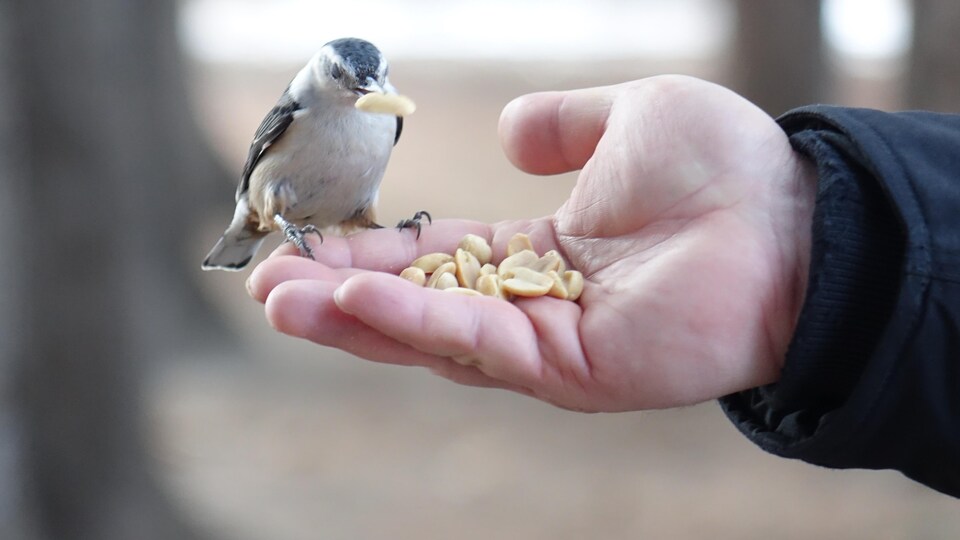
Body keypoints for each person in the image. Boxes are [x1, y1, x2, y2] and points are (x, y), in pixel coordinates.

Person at [245, 75, 960, 498]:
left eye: (376, 81)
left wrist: (804, 252)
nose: (365, 92)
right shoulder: (296, 109)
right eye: (347, 77)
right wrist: (807, 244)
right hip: (274, 206)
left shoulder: (381, 123)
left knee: (372, 236)